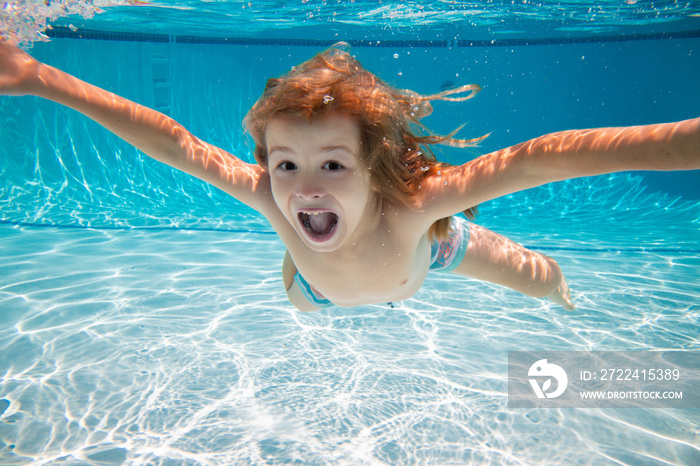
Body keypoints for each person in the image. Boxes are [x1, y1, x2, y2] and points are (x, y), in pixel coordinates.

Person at [1, 41, 697, 312]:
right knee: (305, 295)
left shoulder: (421, 199)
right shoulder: (276, 200)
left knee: (540, 280)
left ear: (375, 165)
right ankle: (316, 271)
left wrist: (681, 142)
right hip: (314, 283)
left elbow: (539, 158)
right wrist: (38, 79)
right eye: (286, 164)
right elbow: (175, 142)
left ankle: (567, 296)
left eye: (333, 164)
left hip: (430, 255)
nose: (303, 185)